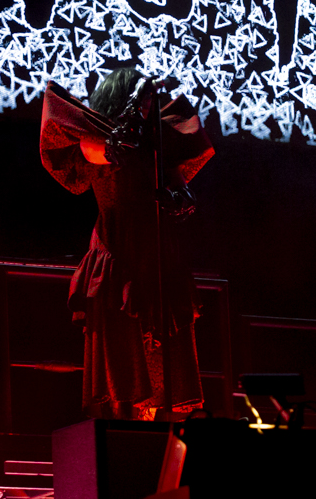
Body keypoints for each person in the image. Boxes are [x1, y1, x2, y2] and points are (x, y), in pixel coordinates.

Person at [39, 69, 213, 420]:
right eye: (144, 98)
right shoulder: (100, 139)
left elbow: (180, 186)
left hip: (158, 253)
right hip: (120, 252)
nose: (151, 105)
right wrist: (127, 127)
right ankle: (124, 441)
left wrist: (180, 198)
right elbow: (103, 150)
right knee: (124, 367)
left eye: (152, 99)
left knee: (163, 364)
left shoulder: (155, 143)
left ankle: (161, 448)